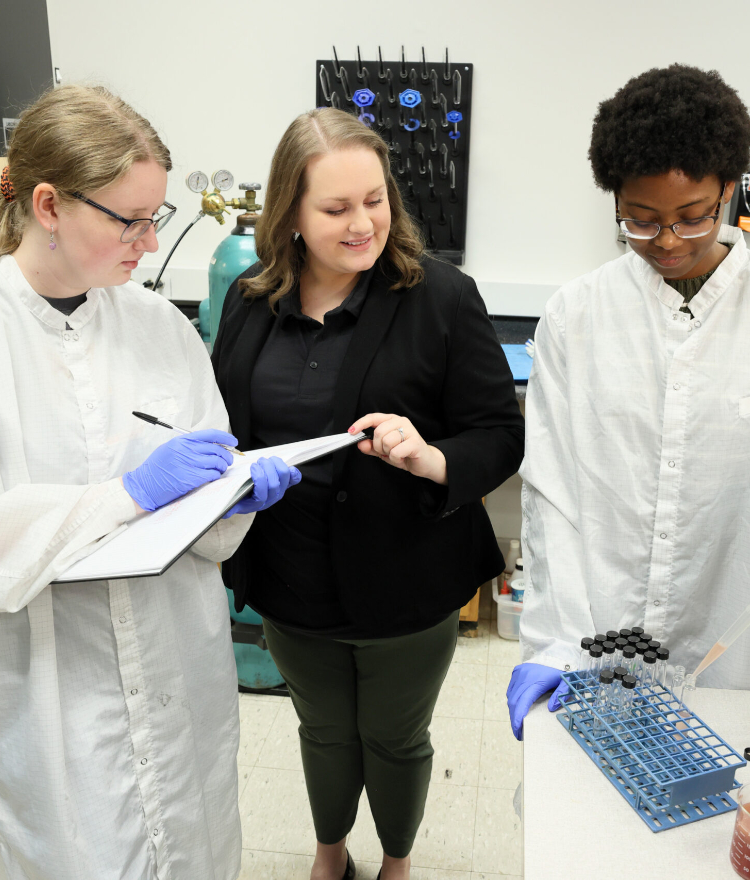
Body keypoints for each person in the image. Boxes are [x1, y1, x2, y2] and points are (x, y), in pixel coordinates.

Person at [212, 107, 524, 880]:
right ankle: (328, 854)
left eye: (375, 199)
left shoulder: (441, 297)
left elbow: (498, 435)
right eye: (337, 208)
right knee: (321, 730)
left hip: (405, 581)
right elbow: (224, 424)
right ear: (288, 213)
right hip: (289, 580)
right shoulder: (251, 302)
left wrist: (429, 458)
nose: (364, 223)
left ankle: (397, 861)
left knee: (393, 736)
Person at [0, 85, 299, 880]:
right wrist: (127, 495)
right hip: (54, 687)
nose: (146, 241)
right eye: (127, 219)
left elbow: (204, 509)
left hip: (179, 667)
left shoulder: (159, 327)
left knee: (194, 843)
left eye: (154, 218)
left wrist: (232, 495)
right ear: (49, 205)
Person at [506, 64, 750, 741]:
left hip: (735, 660)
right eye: (640, 221)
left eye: (692, 217)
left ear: (729, 189)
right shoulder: (577, 316)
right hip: (595, 650)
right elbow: (552, 492)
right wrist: (557, 642)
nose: (668, 241)